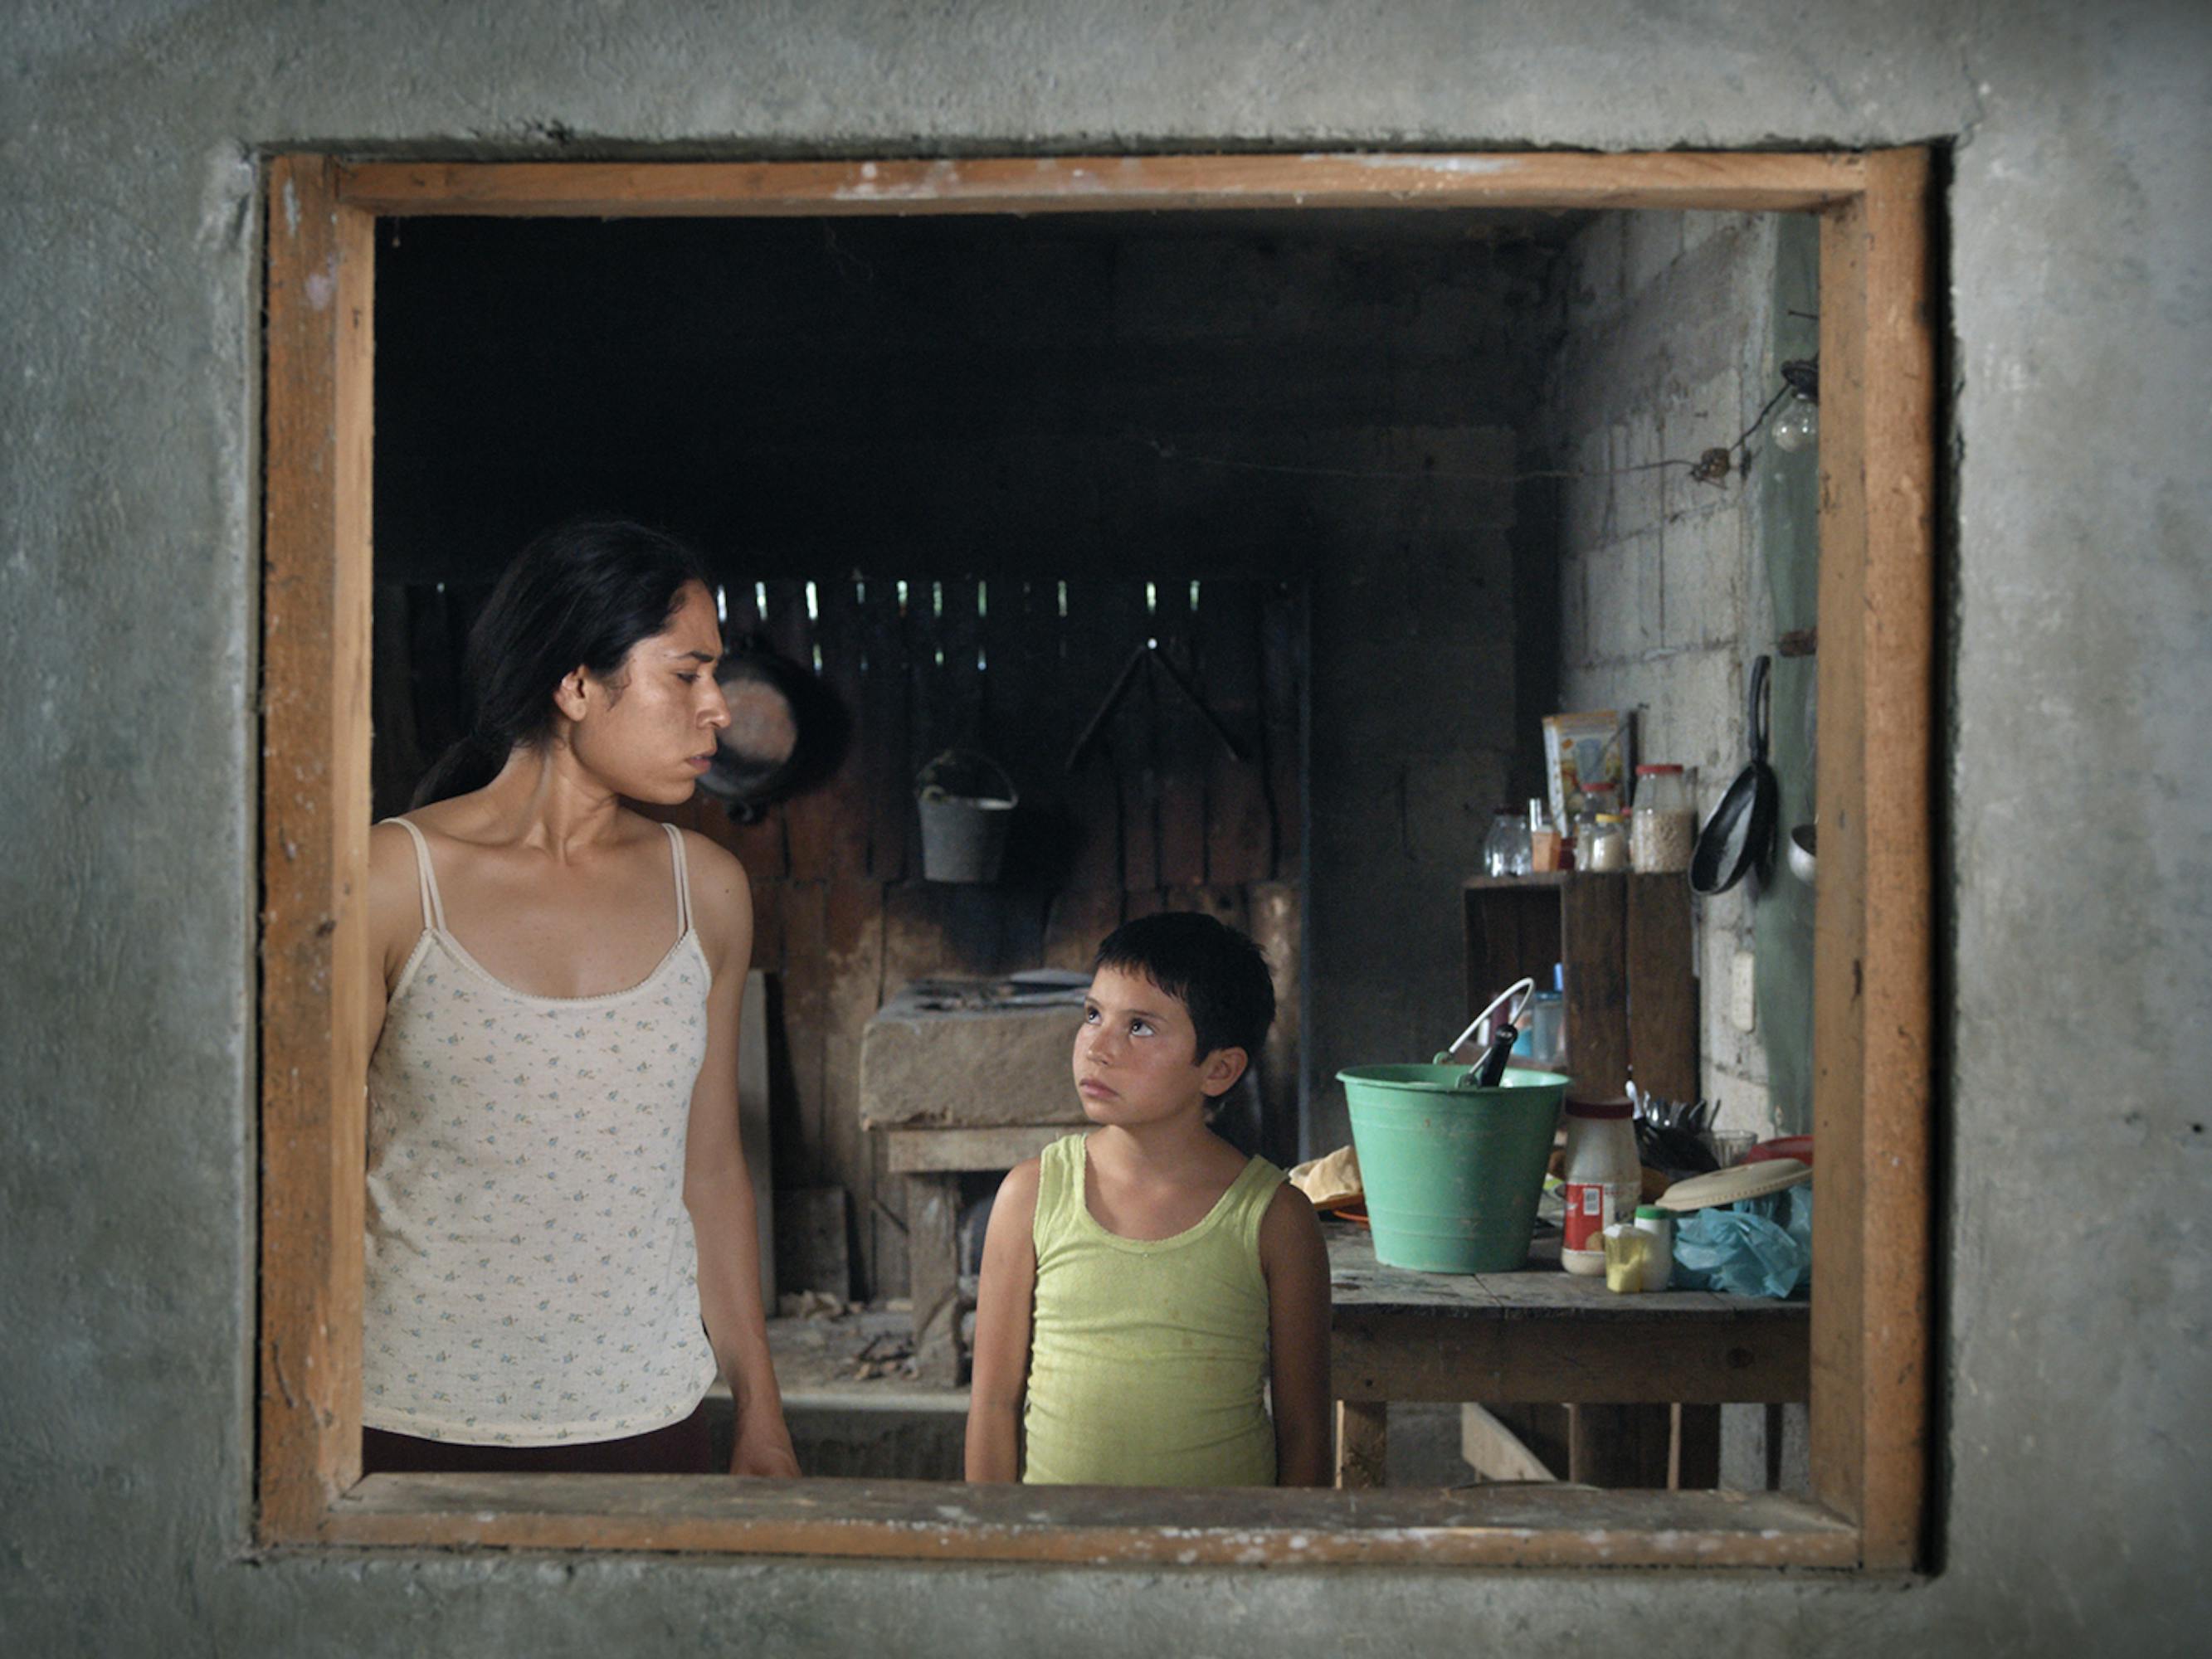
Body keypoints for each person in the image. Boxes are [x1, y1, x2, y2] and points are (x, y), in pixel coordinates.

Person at [359, 518, 797, 1477]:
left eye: (715, 675)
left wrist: (759, 1407)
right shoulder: (393, 881)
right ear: (576, 685)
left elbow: (712, 1171)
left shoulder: (707, 893)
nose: (718, 708)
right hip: (404, 1419)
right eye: (685, 673)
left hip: (647, 1413)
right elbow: (304, 1170)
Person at [964, 912, 1332, 1487]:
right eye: (1093, 1015)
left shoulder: (1275, 1219)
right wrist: (997, 1552)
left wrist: (1285, 1571)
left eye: (1139, 1027)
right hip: (1058, 1554)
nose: (1097, 1047)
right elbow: (991, 1405)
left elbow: (1305, 1431)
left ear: (1219, 1069)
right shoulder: (1032, 1196)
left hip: (1223, 1558)